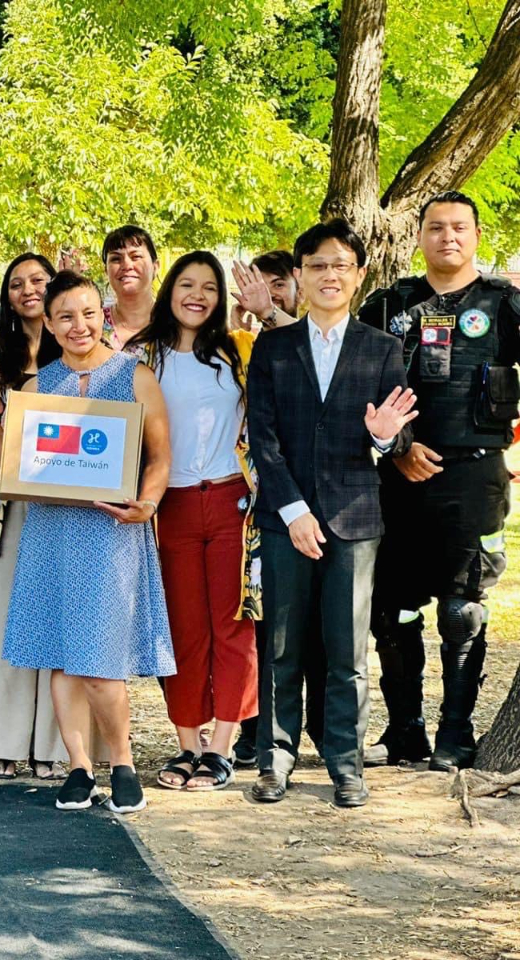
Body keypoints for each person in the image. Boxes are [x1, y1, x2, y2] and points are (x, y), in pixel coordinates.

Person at [0, 270, 174, 813]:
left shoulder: (136, 376)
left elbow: (160, 458)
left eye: (87, 314)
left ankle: (123, 764)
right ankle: (79, 767)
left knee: (100, 663)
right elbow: (13, 468)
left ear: (102, 315)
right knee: (59, 657)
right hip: (50, 533)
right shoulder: (37, 388)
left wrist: (147, 503)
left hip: (110, 534)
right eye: (65, 317)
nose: (78, 326)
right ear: (51, 326)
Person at [246, 219, 418, 810]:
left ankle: (346, 765)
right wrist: (293, 510)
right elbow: (263, 437)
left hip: (354, 518)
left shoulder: (382, 348)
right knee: (281, 647)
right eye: (317, 265)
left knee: (347, 652)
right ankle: (275, 759)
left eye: (341, 265)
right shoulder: (273, 347)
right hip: (284, 519)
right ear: (298, 274)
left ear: (359, 274)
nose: (329, 275)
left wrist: (383, 437)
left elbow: (398, 436)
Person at [357, 191, 520, 771]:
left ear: (476, 236)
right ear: (420, 236)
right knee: (392, 609)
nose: (447, 236)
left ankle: (456, 733)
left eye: (458, 227)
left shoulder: (504, 304)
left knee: (460, 608)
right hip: (398, 477)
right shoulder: (389, 305)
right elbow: (352, 383)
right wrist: (398, 448)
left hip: (475, 475)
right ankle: (405, 731)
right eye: (435, 227)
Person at [125, 252, 259, 792]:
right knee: (181, 627)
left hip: (232, 500)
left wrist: (268, 311)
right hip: (170, 503)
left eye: (209, 287)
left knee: (233, 625)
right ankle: (188, 744)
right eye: (187, 284)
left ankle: (221, 747)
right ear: (169, 290)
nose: (197, 295)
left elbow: (294, 354)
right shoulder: (142, 356)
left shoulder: (240, 349)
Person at [0, 252, 71, 780]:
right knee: (3, 618)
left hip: (69, 504)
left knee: (58, 619)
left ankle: (55, 743)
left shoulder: (76, 353)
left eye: (39, 280)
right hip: (4, 504)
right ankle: (0, 741)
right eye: (17, 283)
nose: (29, 290)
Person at [229, 249, 324, 769]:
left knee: (320, 629)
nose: (264, 294)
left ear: (297, 285)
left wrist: (268, 314)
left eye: (276, 284)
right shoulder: (239, 344)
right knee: (263, 626)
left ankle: (324, 731)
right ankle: (257, 732)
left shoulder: (316, 338)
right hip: (256, 505)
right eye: (256, 285)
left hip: (319, 503)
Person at [101, 225, 158, 360]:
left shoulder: (176, 324)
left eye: (136, 257)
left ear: (155, 267)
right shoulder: (92, 323)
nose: (126, 265)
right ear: (106, 271)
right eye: (116, 259)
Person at [231, 250, 301, 330]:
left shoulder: (310, 335)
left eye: (278, 285)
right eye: (260, 287)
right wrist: (241, 335)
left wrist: (269, 312)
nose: (268, 294)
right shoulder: (247, 335)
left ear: (300, 294)